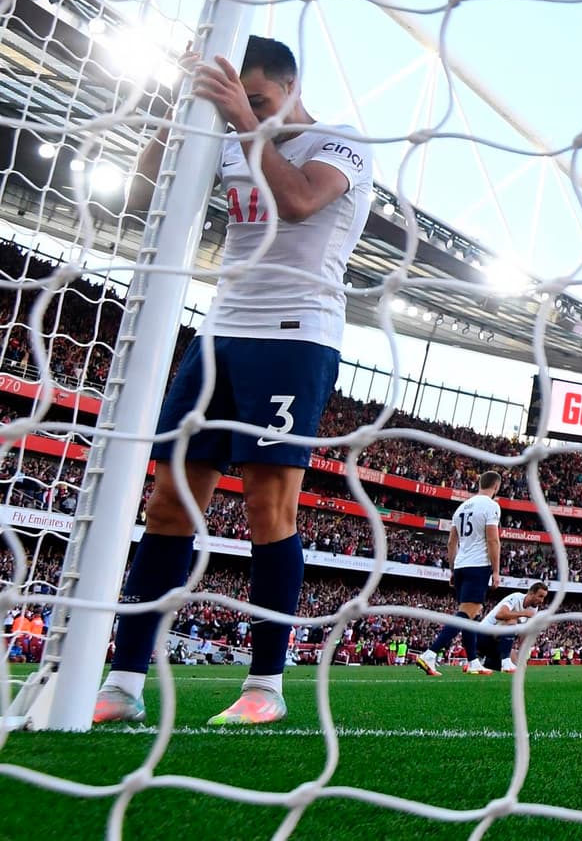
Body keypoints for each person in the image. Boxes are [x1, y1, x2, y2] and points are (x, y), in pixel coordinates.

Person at [93, 36, 373, 726]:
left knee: (265, 507)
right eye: (238, 99)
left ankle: (265, 685)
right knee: (167, 503)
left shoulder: (340, 143)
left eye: (259, 100)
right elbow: (136, 195)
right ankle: (123, 682)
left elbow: (303, 201)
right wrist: (176, 107)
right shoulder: (220, 137)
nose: (246, 110)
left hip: (296, 335)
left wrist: (242, 123)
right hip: (219, 334)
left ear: (289, 87)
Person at [416, 471, 503, 677]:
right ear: (496, 487)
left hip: (462, 566)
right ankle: (430, 653)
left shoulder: (461, 507)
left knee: (470, 616)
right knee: (467, 614)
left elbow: (451, 543)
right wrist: (497, 571)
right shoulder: (491, 506)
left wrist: (453, 569)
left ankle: (473, 661)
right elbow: (493, 540)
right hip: (478, 565)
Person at [474, 583, 547, 673]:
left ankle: (484, 661)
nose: (542, 600)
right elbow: (500, 614)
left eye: (543, 597)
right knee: (511, 621)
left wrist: (522, 657)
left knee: (520, 667)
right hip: (483, 635)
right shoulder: (516, 597)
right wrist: (523, 613)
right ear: (531, 593)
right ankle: (505, 661)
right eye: (540, 596)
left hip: (496, 643)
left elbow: (524, 633)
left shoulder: (533, 609)